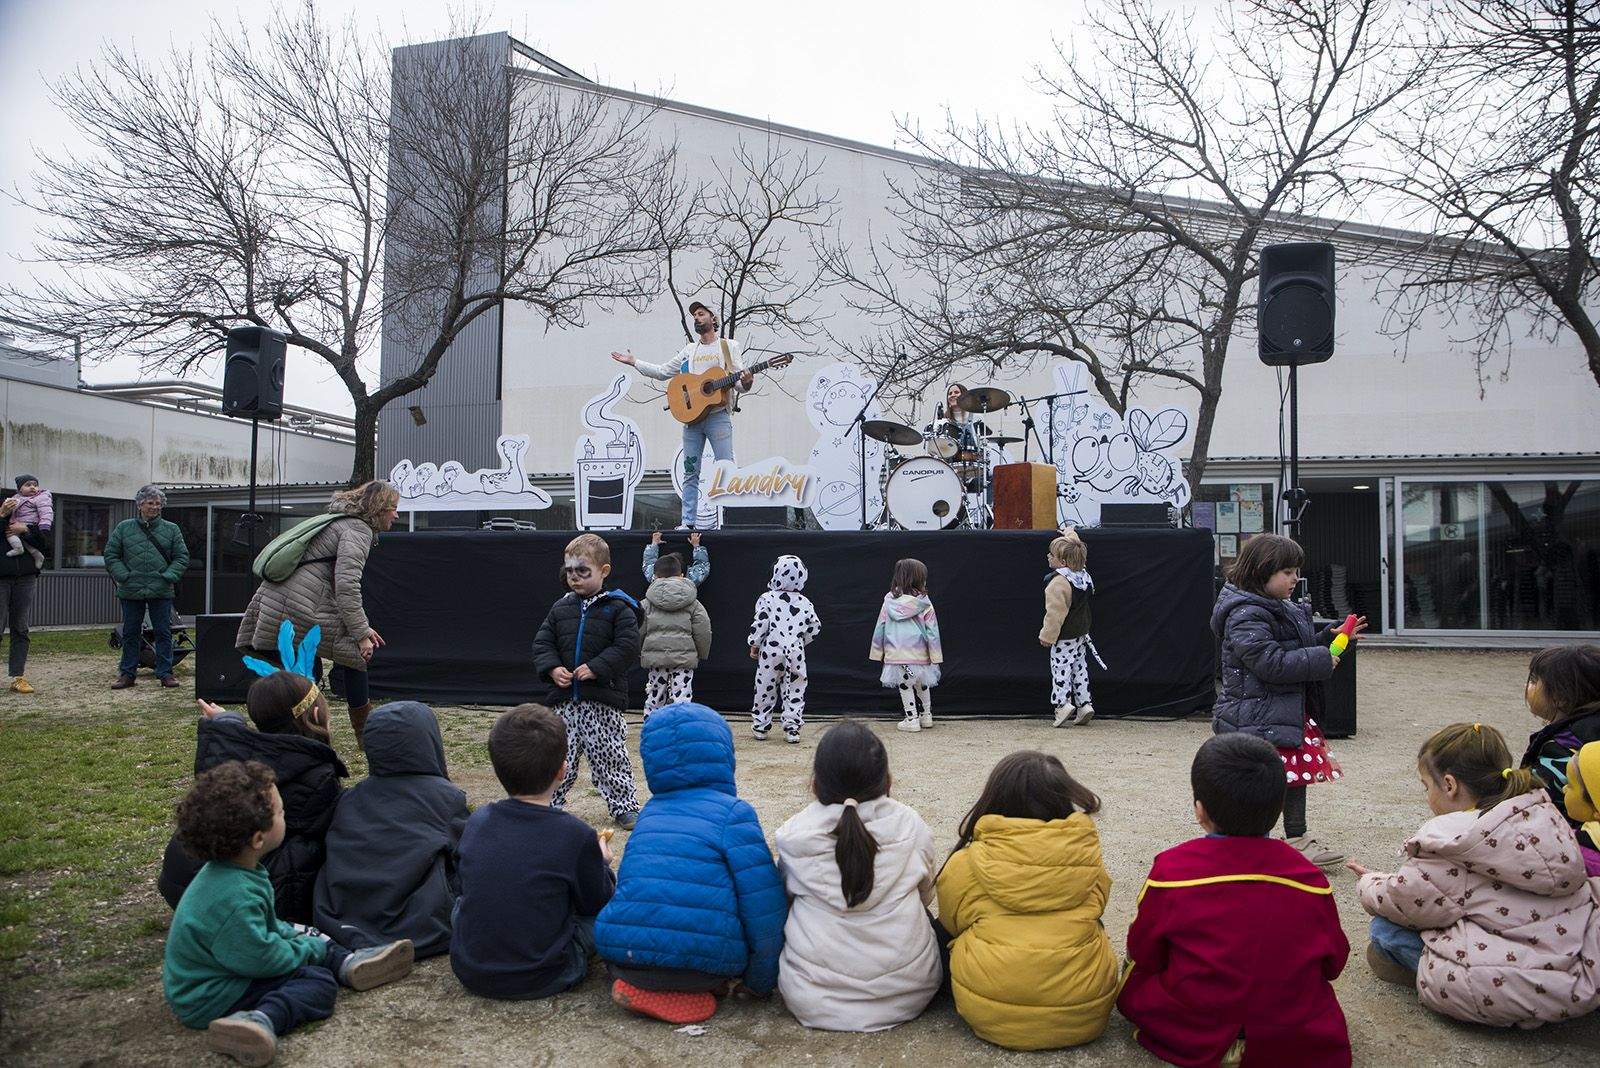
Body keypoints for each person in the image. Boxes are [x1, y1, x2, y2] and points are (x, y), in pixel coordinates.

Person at [1117, 733, 1350, 1068]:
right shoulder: (1310, 878)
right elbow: (1334, 963)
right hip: (1289, 1032)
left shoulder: (1172, 870)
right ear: (1280, 806)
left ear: (1199, 810)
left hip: (1196, 1025)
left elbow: (1144, 951)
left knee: (1135, 979)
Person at [1349, 722, 1600, 1027]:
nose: (1427, 794)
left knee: (1384, 932)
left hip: (1501, 987)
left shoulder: (1456, 841)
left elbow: (1403, 899)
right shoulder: (1542, 815)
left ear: (1450, 785)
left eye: (1427, 786)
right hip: (1574, 974)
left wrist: (1368, 882)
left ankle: (1423, 974)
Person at [163, 761, 413, 1066]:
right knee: (317, 983)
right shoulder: (234, 898)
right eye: (281, 813)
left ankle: (348, 961)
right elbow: (262, 958)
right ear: (258, 839)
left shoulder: (235, 872)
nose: (286, 816)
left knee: (302, 933)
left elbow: (266, 930)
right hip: (210, 995)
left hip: (232, 964)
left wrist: (303, 941)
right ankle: (259, 1020)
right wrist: (307, 950)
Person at [594, 703, 787, 1026]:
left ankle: (640, 982)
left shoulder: (648, 815)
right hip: (702, 966)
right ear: (724, 755)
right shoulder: (734, 814)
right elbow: (763, 906)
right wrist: (760, 982)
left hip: (624, 956)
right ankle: (699, 988)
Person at [936, 751, 1118, 1051]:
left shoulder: (966, 863)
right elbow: (1100, 906)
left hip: (990, 1013)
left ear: (994, 798)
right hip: (1083, 1014)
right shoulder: (1087, 860)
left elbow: (950, 923)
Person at [1211, 532, 1365, 870]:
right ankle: (1245, 843)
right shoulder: (1244, 614)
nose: (1295, 578)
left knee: (1295, 777)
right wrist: (1323, 658)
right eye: (1287, 572)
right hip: (1252, 716)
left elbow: (1297, 646)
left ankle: (1297, 838)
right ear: (1261, 571)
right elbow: (1270, 662)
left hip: (1279, 712)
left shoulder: (1282, 607)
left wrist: (1332, 638)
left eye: (1296, 571)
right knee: (1257, 787)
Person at [775, 722, 940, 1032]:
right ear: (888, 781)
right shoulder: (911, 826)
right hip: (908, 992)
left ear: (814, 785)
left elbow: (783, 898)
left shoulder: (793, 835)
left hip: (811, 997)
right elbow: (925, 894)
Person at [451, 704, 617, 1000]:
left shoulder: (476, 821)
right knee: (607, 919)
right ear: (562, 771)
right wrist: (601, 863)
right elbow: (596, 901)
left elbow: (465, 885)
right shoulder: (575, 834)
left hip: (471, 970)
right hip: (547, 973)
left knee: (461, 908)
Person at [158, 672, 346, 924]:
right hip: (242, 902)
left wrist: (226, 725)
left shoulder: (233, 749)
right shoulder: (316, 773)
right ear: (315, 715)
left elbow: (235, 739)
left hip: (184, 887)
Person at [237, 480, 399, 744]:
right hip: (299, 603)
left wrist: (363, 628)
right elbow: (347, 586)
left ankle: (295, 732)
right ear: (378, 508)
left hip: (280, 598)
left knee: (300, 667)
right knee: (354, 654)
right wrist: (360, 635)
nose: (397, 514)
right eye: (393, 508)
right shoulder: (358, 530)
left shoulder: (337, 521)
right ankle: (365, 735)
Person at [312, 701, 469, 959]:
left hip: (343, 918)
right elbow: (468, 854)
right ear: (429, 741)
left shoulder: (350, 798)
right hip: (416, 924)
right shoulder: (446, 798)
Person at [610, 301, 754, 530]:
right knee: (690, 471)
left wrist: (747, 381)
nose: (696, 318)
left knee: (725, 467)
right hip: (692, 420)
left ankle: (725, 521)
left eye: (701, 314)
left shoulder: (728, 347)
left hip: (718, 417)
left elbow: (739, 383)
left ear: (713, 318)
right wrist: (634, 362)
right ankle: (688, 522)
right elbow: (662, 372)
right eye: (694, 315)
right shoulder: (689, 351)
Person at [532, 532, 643, 828]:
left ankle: (624, 806)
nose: (574, 577)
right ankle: (548, 805)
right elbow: (543, 643)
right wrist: (553, 668)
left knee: (610, 755)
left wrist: (596, 667)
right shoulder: (561, 607)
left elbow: (627, 647)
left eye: (583, 571)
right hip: (564, 703)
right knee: (558, 758)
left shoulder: (620, 608)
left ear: (603, 571)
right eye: (569, 571)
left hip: (603, 701)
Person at [1519, 644, 1600, 873]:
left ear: (1561, 698)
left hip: (1564, 846)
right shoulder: (1588, 730)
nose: (1528, 687)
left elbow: (1541, 799)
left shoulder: (1564, 746)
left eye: (1535, 681)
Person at [105, 483, 190, 689]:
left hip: (160, 589)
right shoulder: (124, 528)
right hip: (130, 589)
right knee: (131, 633)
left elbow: (182, 557)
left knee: (163, 632)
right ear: (140, 505)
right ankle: (127, 674)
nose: (154, 507)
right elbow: (111, 554)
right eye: (150, 503)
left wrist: (168, 576)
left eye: (158, 504)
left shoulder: (172, 529)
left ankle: (165, 673)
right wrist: (124, 576)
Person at [748, 554, 821, 743]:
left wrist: (754, 643)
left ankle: (761, 726)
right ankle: (792, 729)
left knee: (765, 686)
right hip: (795, 651)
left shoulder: (767, 598)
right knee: (795, 688)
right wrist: (799, 641)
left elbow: (761, 622)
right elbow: (815, 627)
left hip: (771, 651)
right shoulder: (805, 602)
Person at [640, 532, 711, 716]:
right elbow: (703, 629)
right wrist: (697, 547)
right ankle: (681, 728)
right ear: (682, 574)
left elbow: (638, 629)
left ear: (655, 575)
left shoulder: (646, 601)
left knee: (655, 695)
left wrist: (653, 545)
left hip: (656, 657)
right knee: (682, 696)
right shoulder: (692, 596)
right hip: (684, 658)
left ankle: (651, 727)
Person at [870, 558, 943, 734]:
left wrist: (877, 651)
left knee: (905, 684)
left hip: (898, 653)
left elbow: (880, 626)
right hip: (920, 652)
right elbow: (933, 629)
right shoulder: (924, 602)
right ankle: (926, 716)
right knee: (922, 683)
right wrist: (935, 655)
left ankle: (911, 719)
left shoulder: (889, 601)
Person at [1039, 529, 1100, 728]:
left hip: (1064, 636)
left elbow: (1055, 613)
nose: (1048, 556)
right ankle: (1084, 704)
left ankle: (1061, 705)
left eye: (1052, 555)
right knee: (1079, 668)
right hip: (1081, 633)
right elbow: (1075, 547)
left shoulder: (1059, 583)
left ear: (1063, 562)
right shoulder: (1081, 575)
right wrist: (1070, 533)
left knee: (1061, 669)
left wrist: (1047, 635)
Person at [0, 482, 51, 694]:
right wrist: (2, 516)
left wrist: (27, 530)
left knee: (20, 629)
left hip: (26, 578)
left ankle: (18, 677)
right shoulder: (6, 511)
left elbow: (45, 545)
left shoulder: (30, 513)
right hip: (1, 579)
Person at [6, 475, 50, 568]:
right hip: (16, 523)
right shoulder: (16, 498)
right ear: (20, 489)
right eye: (28, 485)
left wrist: (44, 525)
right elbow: (10, 511)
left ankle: (34, 554)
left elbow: (46, 511)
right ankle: (28, 552)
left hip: (31, 523)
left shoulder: (41, 497)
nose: (32, 487)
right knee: (11, 535)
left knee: (26, 540)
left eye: (35, 485)